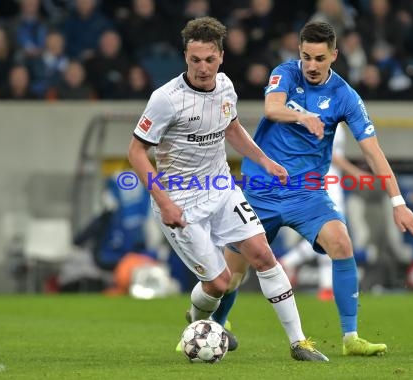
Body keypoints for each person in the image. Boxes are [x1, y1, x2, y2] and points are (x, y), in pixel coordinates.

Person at [213, 21, 413, 357]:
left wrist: (398, 202)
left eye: (319, 58)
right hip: (261, 188)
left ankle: (351, 338)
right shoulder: (285, 73)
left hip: (308, 193)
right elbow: (271, 108)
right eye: (306, 56)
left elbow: (373, 151)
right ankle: (216, 325)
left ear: (334, 55)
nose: (311, 65)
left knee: (342, 243)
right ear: (299, 52)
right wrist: (303, 116)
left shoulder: (345, 96)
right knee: (232, 275)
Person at [127, 16, 328, 362]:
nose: (202, 68)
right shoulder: (166, 99)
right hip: (180, 201)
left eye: (209, 59)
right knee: (219, 284)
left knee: (263, 254)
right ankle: (196, 321)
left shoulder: (225, 86)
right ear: (185, 57)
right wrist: (164, 203)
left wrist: (266, 162)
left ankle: (299, 343)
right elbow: (135, 152)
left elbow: (232, 128)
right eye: (194, 60)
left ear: (221, 56)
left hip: (221, 188)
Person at [279, 126, 372, 301]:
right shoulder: (325, 120)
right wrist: (356, 173)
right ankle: (289, 262)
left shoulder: (330, 120)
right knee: (333, 234)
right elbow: (331, 155)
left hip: (323, 180)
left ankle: (325, 286)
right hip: (325, 182)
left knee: (328, 235)